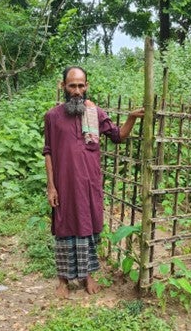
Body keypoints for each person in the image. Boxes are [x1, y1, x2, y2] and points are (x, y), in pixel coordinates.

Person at [43, 66, 144, 298]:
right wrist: (51, 186)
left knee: (88, 228)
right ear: (63, 87)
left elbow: (118, 137)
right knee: (63, 228)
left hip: (88, 184)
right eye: (72, 86)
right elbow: (48, 151)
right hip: (64, 184)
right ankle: (63, 280)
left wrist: (131, 118)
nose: (77, 91)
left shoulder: (95, 114)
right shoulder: (52, 116)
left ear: (86, 86)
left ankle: (88, 276)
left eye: (81, 86)